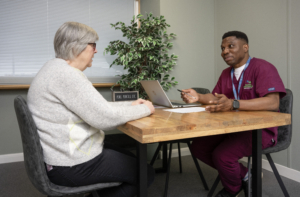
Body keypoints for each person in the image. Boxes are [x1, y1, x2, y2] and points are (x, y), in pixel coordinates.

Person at [27, 22, 155, 197]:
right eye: (93, 45)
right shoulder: (67, 75)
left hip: (63, 156)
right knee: (145, 172)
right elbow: (104, 118)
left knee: (136, 161)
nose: (96, 51)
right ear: (76, 47)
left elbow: (97, 107)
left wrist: (130, 105)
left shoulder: (54, 69)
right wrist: (146, 109)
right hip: (72, 164)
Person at [181, 31, 286, 197]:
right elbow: (215, 97)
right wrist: (198, 96)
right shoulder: (226, 73)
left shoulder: (263, 67)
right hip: (233, 128)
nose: (225, 51)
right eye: (222, 48)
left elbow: (273, 102)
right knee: (198, 148)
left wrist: (234, 103)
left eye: (230, 46)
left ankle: (233, 189)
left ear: (245, 47)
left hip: (261, 131)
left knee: (222, 155)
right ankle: (245, 174)